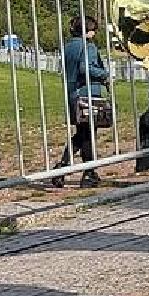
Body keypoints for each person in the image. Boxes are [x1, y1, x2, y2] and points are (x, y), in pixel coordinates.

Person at [49, 16, 109, 188]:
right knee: (89, 134)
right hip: (88, 94)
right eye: (94, 29)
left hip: (73, 94)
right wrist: (103, 75)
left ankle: (64, 167)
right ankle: (88, 172)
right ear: (88, 31)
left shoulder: (68, 47)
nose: (95, 33)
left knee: (82, 134)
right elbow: (85, 68)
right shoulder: (88, 46)